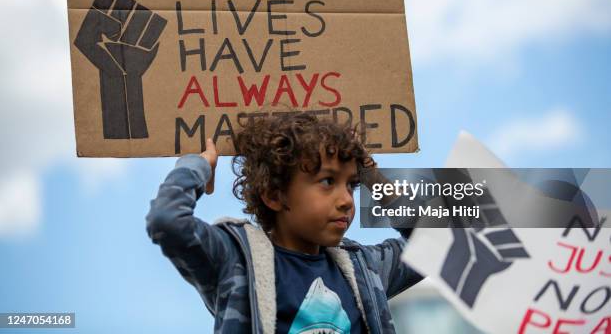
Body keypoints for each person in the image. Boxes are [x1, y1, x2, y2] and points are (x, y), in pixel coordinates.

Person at [146, 113, 423, 333]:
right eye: (328, 181)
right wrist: (197, 166)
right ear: (274, 196)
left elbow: (439, 245)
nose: (347, 200)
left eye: (352, 184)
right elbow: (168, 221)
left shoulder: (365, 269)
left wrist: (374, 178)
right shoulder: (235, 261)